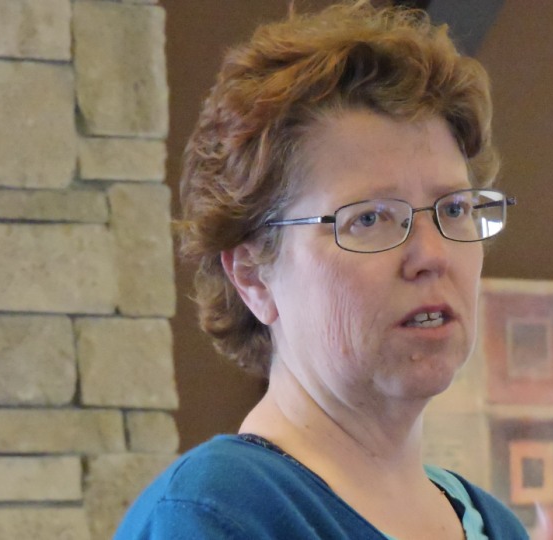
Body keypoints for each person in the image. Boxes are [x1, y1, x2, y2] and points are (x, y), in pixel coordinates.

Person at [115, 1, 530, 538]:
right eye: (369, 219)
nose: (433, 255)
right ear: (253, 275)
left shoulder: (496, 526)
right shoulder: (217, 514)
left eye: (453, 209)